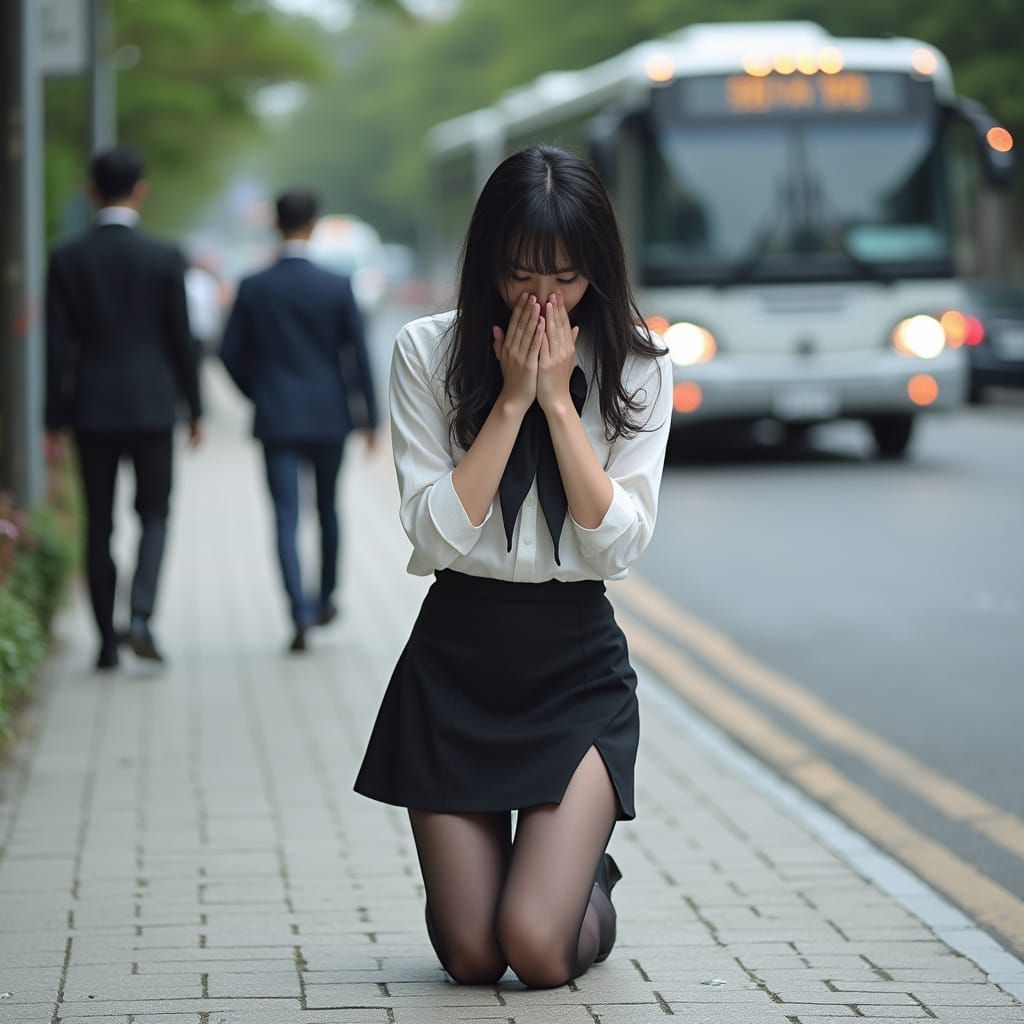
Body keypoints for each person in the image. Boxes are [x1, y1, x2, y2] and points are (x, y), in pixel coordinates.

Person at [354, 146, 672, 988]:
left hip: (574, 667)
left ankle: (579, 891)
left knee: (535, 949)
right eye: (522, 275)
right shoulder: (427, 352)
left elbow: (619, 545)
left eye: (565, 279)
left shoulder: (639, 366)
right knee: (470, 956)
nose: (543, 300)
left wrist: (560, 401)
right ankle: (531, 882)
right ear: (487, 263)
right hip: (457, 657)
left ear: (597, 272)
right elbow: (432, 540)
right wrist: (509, 400)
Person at [45, 146, 204, 671]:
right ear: (140, 190)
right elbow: (183, 340)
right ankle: (140, 616)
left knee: (98, 524)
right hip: (153, 406)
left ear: (91, 191)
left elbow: (55, 346)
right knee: (154, 514)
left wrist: (51, 419)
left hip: (90, 408)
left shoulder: (68, 258)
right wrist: (195, 408)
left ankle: (106, 644)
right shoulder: (164, 256)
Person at [220, 191, 379, 653]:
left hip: (276, 416)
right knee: (328, 509)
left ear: (276, 224)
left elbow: (229, 354)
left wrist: (260, 391)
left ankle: (298, 611)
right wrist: (368, 417)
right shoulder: (336, 285)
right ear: (314, 226)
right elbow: (358, 355)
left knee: (286, 516)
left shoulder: (254, 285)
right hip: (331, 415)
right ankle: (325, 598)